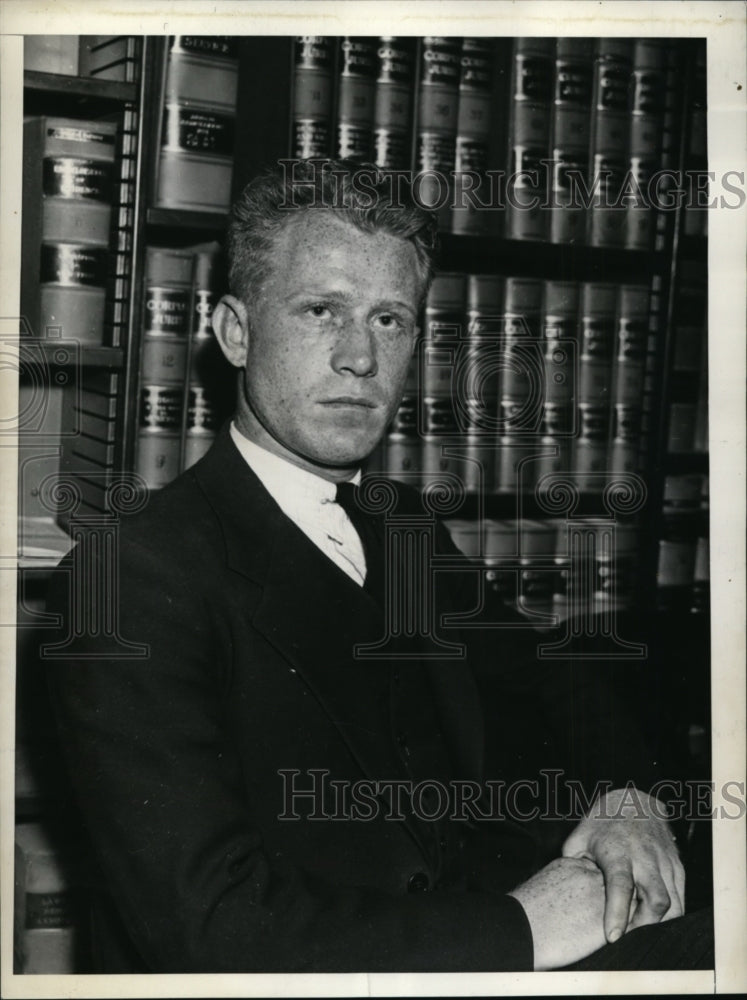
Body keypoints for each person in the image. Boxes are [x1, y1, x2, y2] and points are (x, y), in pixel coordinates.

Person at [45, 159, 711, 973]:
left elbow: (555, 678)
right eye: (320, 311)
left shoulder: (401, 527)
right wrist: (522, 928)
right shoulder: (128, 578)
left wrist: (630, 797)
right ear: (235, 332)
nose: (359, 357)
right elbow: (211, 926)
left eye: (389, 319)